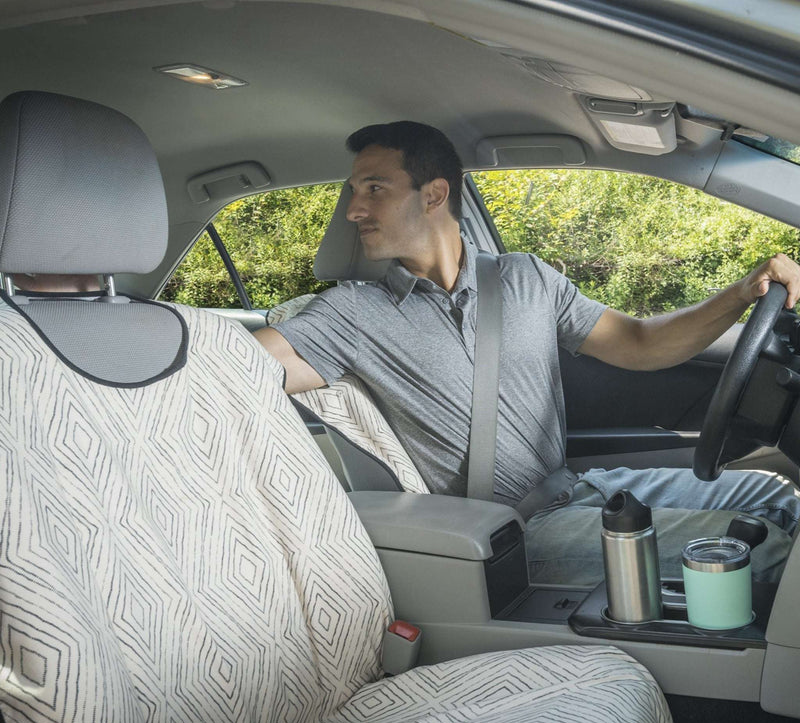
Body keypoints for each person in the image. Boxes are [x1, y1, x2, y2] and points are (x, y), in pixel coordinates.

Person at [255, 121, 800, 585]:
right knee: (765, 549)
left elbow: (642, 343)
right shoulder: (349, 315)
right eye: (354, 191)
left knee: (777, 495)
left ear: (434, 194)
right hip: (512, 533)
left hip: (579, 490)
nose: (353, 209)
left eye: (373, 188)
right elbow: (236, 370)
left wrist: (742, 293)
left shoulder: (526, 279)